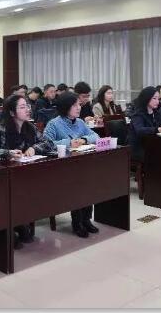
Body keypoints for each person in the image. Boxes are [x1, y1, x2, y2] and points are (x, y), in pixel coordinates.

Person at [0, 94, 55, 248]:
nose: (27, 109)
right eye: (22, 107)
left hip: (24, 175)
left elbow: (48, 143)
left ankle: (20, 222)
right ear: (12, 112)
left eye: (27, 106)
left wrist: (34, 148)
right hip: (2, 178)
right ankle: (9, 227)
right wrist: (7, 153)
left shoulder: (30, 127)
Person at [43, 92, 100, 238]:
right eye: (75, 105)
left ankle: (86, 219)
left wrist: (84, 139)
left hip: (79, 165)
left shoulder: (80, 122)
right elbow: (45, 144)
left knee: (89, 181)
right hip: (60, 168)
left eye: (79, 105)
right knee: (78, 183)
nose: (79, 108)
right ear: (65, 107)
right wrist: (68, 143)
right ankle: (77, 222)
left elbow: (96, 136)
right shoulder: (54, 124)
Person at [127, 87, 161, 162]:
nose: (157, 101)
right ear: (146, 98)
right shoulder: (138, 114)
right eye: (154, 98)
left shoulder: (156, 113)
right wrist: (158, 129)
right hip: (138, 147)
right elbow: (140, 130)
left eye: (158, 99)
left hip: (151, 144)